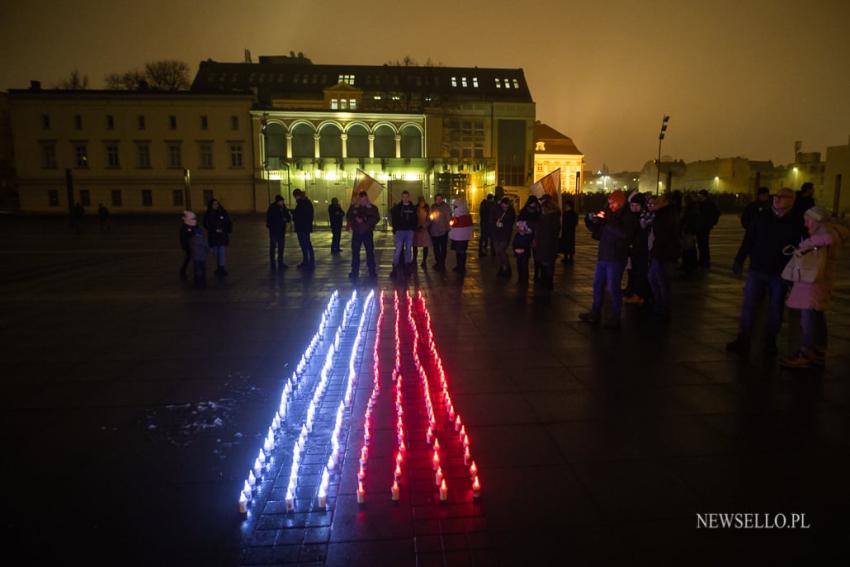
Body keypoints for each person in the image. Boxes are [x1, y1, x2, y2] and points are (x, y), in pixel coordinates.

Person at [727, 188, 803, 355]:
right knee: (749, 305)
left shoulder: (797, 221)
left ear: (792, 200)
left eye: (782, 197)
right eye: (776, 196)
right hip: (758, 268)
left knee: (776, 307)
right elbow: (749, 239)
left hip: (780, 272)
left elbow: (802, 247)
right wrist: (739, 259)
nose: (777, 199)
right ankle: (744, 337)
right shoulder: (762, 216)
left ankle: (770, 340)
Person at [781, 207, 848, 368]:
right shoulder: (828, 230)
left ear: (816, 219)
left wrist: (805, 244)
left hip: (814, 281)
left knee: (809, 318)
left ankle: (807, 354)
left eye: (808, 219)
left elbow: (828, 239)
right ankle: (818, 352)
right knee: (816, 317)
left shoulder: (825, 232)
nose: (805, 222)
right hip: (819, 279)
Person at [579, 190, 637, 329]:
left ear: (621, 202)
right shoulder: (609, 213)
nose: (610, 205)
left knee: (613, 287)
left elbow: (625, 235)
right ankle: (595, 312)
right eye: (609, 202)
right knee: (597, 285)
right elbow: (599, 232)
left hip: (616, 257)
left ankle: (615, 316)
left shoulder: (628, 216)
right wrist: (591, 222)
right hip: (604, 255)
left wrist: (607, 224)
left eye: (613, 203)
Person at [646, 195, 681, 319]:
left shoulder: (666, 215)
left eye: (657, 202)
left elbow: (663, 236)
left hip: (663, 253)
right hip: (660, 252)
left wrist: (655, 251)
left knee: (660, 281)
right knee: (654, 279)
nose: (654, 204)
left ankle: (663, 307)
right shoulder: (664, 214)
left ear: (665, 203)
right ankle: (659, 304)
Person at [623, 192, 650, 305]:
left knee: (640, 273)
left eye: (636, 206)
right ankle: (634, 292)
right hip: (633, 250)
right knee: (633, 272)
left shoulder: (644, 217)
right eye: (632, 205)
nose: (634, 208)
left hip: (640, 250)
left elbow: (642, 235)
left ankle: (640, 295)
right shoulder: (632, 216)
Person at [347, 191, 380, 279]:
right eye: (361, 200)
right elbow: (349, 216)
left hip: (367, 232)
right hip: (357, 233)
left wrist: (365, 220)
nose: (363, 202)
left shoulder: (372, 208)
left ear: (367, 199)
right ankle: (354, 272)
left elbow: (376, 218)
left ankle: (372, 272)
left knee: (369, 252)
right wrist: (355, 219)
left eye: (364, 200)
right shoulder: (354, 207)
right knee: (355, 253)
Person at [534, 193, 561, 289]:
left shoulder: (546, 218)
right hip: (551, 243)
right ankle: (548, 281)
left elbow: (541, 229)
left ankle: (546, 281)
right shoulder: (555, 216)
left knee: (545, 263)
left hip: (545, 243)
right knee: (549, 263)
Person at [389, 190, 417, 277]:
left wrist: (413, 228)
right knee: (398, 250)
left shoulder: (413, 208)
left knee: (408, 250)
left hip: (409, 231)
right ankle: (394, 268)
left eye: (406, 197)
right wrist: (395, 228)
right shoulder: (398, 208)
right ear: (402, 197)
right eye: (403, 197)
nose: (405, 199)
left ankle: (407, 268)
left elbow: (416, 219)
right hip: (400, 231)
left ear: (409, 197)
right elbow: (394, 218)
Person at [515, 196, 541, 284]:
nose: (533, 206)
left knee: (536, 257)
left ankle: (537, 274)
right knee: (524, 257)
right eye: (531, 204)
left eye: (534, 204)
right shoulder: (524, 211)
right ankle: (524, 276)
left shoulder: (538, 211)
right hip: (524, 237)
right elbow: (519, 223)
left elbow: (540, 225)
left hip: (535, 236)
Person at [203, 198, 232, 276]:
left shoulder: (223, 212)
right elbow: (206, 224)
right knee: (216, 252)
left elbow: (228, 222)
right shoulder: (208, 214)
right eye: (214, 204)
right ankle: (219, 266)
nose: (216, 205)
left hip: (222, 235)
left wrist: (224, 229)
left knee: (221, 251)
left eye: (217, 203)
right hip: (213, 236)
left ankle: (222, 268)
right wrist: (214, 229)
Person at [491, 196, 516, 277]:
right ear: (501, 204)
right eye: (503, 206)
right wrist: (495, 223)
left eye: (506, 207)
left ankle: (507, 268)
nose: (505, 208)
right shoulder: (496, 209)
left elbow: (511, 223)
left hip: (505, 234)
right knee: (497, 252)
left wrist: (503, 224)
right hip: (496, 233)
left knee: (501, 250)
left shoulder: (511, 211)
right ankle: (502, 267)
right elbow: (491, 219)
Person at [696, 189, 720, 269]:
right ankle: (702, 260)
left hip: (704, 227)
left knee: (704, 245)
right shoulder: (701, 203)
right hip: (700, 227)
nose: (698, 197)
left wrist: (710, 223)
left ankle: (705, 261)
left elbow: (715, 214)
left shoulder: (709, 204)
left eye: (699, 195)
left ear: (703, 196)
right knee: (701, 245)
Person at [266, 195, 291, 270]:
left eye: (282, 201)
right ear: (277, 201)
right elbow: (269, 219)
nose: (282, 203)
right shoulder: (272, 208)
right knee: (273, 246)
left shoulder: (283, 208)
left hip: (281, 231)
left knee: (281, 247)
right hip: (274, 230)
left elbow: (288, 217)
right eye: (281, 201)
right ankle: (273, 263)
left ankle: (280, 262)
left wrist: (286, 219)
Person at [448, 198, 473, 274]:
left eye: (455, 206)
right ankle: (459, 266)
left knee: (461, 252)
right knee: (459, 251)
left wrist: (452, 222)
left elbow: (453, 223)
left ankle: (461, 266)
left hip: (460, 237)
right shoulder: (464, 215)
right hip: (459, 236)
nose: (454, 207)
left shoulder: (460, 215)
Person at [292, 189, 315, 269]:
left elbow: (300, 216)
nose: (295, 198)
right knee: (307, 244)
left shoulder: (302, 204)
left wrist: (294, 215)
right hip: (306, 227)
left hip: (302, 227)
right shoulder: (307, 203)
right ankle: (310, 261)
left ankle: (306, 262)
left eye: (295, 196)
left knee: (304, 245)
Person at [680, 193, 701, 278]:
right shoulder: (692, 209)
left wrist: (685, 227)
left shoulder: (690, 210)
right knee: (689, 250)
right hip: (688, 232)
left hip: (688, 232)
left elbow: (688, 221)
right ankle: (689, 267)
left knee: (688, 250)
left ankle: (689, 268)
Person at [429, 194, 451, 272]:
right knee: (436, 248)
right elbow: (430, 217)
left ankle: (442, 263)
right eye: (437, 199)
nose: (439, 201)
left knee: (443, 247)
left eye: (440, 199)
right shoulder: (433, 207)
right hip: (434, 230)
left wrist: (448, 227)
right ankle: (438, 262)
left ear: (442, 199)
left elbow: (449, 218)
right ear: (435, 200)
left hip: (443, 230)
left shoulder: (446, 207)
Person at [189, 214, 209, 288]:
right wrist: (207, 252)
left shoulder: (192, 239)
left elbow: (190, 247)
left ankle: (197, 278)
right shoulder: (204, 239)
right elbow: (207, 247)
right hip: (203, 257)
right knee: (203, 268)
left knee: (196, 268)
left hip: (195, 257)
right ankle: (203, 278)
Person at [414, 196, 432, 268]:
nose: (421, 202)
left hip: (424, 229)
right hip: (417, 229)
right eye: (420, 201)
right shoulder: (416, 208)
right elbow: (414, 218)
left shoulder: (427, 209)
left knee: (425, 245)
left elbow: (429, 219)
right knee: (415, 245)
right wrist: (416, 225)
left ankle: (424, 261)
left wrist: (424, 225)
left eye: (422, 201)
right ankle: (414, 260)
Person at [179, 210, 197, 280]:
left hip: (192, 246)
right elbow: (184, 238)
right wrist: (186, 246)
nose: (194, 220)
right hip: (188, 246)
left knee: (189, 258)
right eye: (193, 218)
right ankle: (184, 270)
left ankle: (184, 270)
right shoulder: (185, 227)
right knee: (189, 258)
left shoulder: (191, 226)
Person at [560, 196, 578, 263]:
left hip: (567, 231)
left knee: (567, 244)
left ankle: (567, 257)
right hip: (570, 231)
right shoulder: (573, 214)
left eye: (566, 205)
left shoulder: (566, 214)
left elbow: (565, 222)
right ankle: (569, 257)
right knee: (570, 244)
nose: (565, 206)